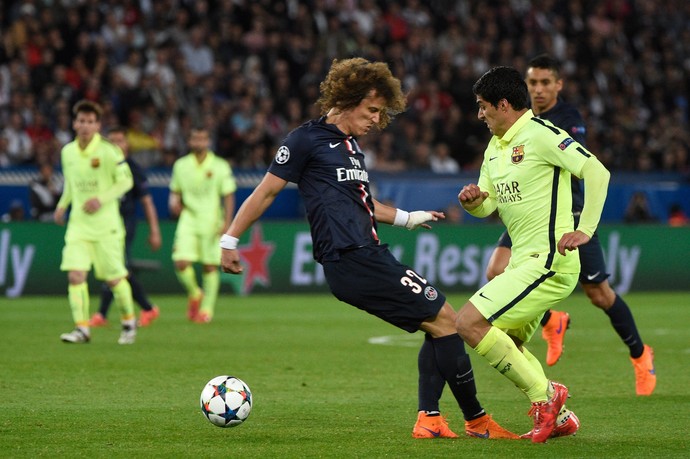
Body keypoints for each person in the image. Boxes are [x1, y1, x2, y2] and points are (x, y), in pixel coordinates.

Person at [220, 58, 518, 440]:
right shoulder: (305, 140)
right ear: (347, 100)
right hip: (350, 259)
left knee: (438, 322)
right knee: (450, 322)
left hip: (368, 254)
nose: (377, 120)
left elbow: (363, 204)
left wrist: (408, 218)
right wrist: (230, 240)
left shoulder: (350, 148)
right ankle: (477, 422)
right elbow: (266, 192)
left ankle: (430, 419)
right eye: (372, 110)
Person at [484, 55, 656, 396]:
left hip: (567, 215)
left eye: (546, 82)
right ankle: (552, 321)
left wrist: (585, 226)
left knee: (599, 294)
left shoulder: (565, 122)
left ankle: (640, 354)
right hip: (529, 215)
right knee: (495, 270)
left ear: (558, 85)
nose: (539, 89)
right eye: (533, 83)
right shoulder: (514, 122)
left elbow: (586, 168)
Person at [457, 66, 612, 442]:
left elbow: (597, 172)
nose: (480, 114)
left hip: (549, 260)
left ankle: (547, 397)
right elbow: (488, 203)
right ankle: (560, 420)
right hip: (523, 261)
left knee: (468, 323)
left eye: (483, 106)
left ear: (504, 104)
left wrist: (585, 229)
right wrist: (473, 202)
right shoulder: (495, 147)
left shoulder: (542, 135)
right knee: (507, 340)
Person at [54, 100, 137, 345]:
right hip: (79, 225)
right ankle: (82, 328)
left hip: (107, 227)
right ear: (74, 123)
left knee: (114, 279)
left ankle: (129, 322)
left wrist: (101, 199)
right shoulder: (67, 151)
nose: (85, 126)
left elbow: (126, 182)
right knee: (76, 275)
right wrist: (62, 204)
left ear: (98, 125)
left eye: (90, 122)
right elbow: (71, 183)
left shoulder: (110, 151)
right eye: (81, 121)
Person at [89, 127, 162, 328]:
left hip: (124, 224)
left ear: (126, 145)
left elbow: (147, 202)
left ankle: (142, 308)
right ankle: (144, 308)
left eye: (119, 141)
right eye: (111, 142)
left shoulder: (133, 169)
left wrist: (154, 230)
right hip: (104, 223)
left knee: (116, 267)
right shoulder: (101, 166)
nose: (115, 146)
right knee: (113, 268)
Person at [169, 127, 236, 323]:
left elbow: (228, 195)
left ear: (208, 141)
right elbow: (175, 191)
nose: (199, 142)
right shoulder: (181, 165)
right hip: (188, 218)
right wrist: (174, 204)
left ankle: (206, 310)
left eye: (203, 138)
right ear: (189, 141)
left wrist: (227, 223)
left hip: (212, 219)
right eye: (195, 138)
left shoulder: (220, 165)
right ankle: (195, 293)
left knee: (209, 266)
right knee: (181, 262)